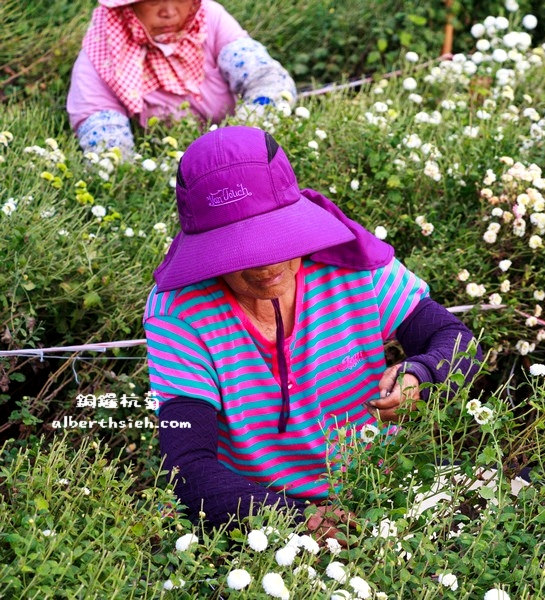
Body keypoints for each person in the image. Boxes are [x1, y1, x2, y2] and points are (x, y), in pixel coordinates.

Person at [143, 126, 482, 536]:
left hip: (384, 490)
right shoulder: (179, 314)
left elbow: (456, 339)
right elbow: (188, 465)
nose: (266, 266)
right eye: (238, 251)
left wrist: (421, 375)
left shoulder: (353, 266)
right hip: (257, 512)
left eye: (275, 236)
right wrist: (295, 519)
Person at [67, 0, 296, 156]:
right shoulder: (103, 49)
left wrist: (247, 134)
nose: (169, 11)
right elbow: (103, 135)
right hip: (170, 157)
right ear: (129, 6)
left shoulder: (209, 18)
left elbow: (266, 78)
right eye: (153, 1)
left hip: (241, 144)